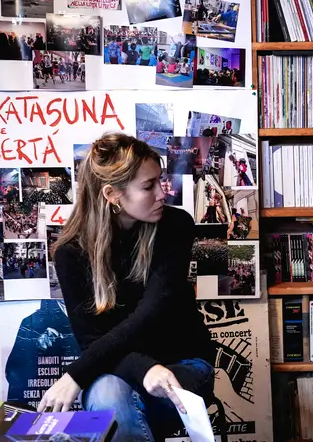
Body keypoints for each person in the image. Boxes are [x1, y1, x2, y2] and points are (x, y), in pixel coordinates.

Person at [41, 133, 216, 441]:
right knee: (110, 396)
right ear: (112, 194)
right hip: (114, 370)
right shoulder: (70, 253)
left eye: (160, 181)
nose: (162, 194)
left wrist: (75, 375)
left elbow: (151, 313)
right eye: (148, 186)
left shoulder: (175, 226)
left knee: (118, 406)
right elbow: (91, 338)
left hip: (184, 362)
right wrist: (143, 369)